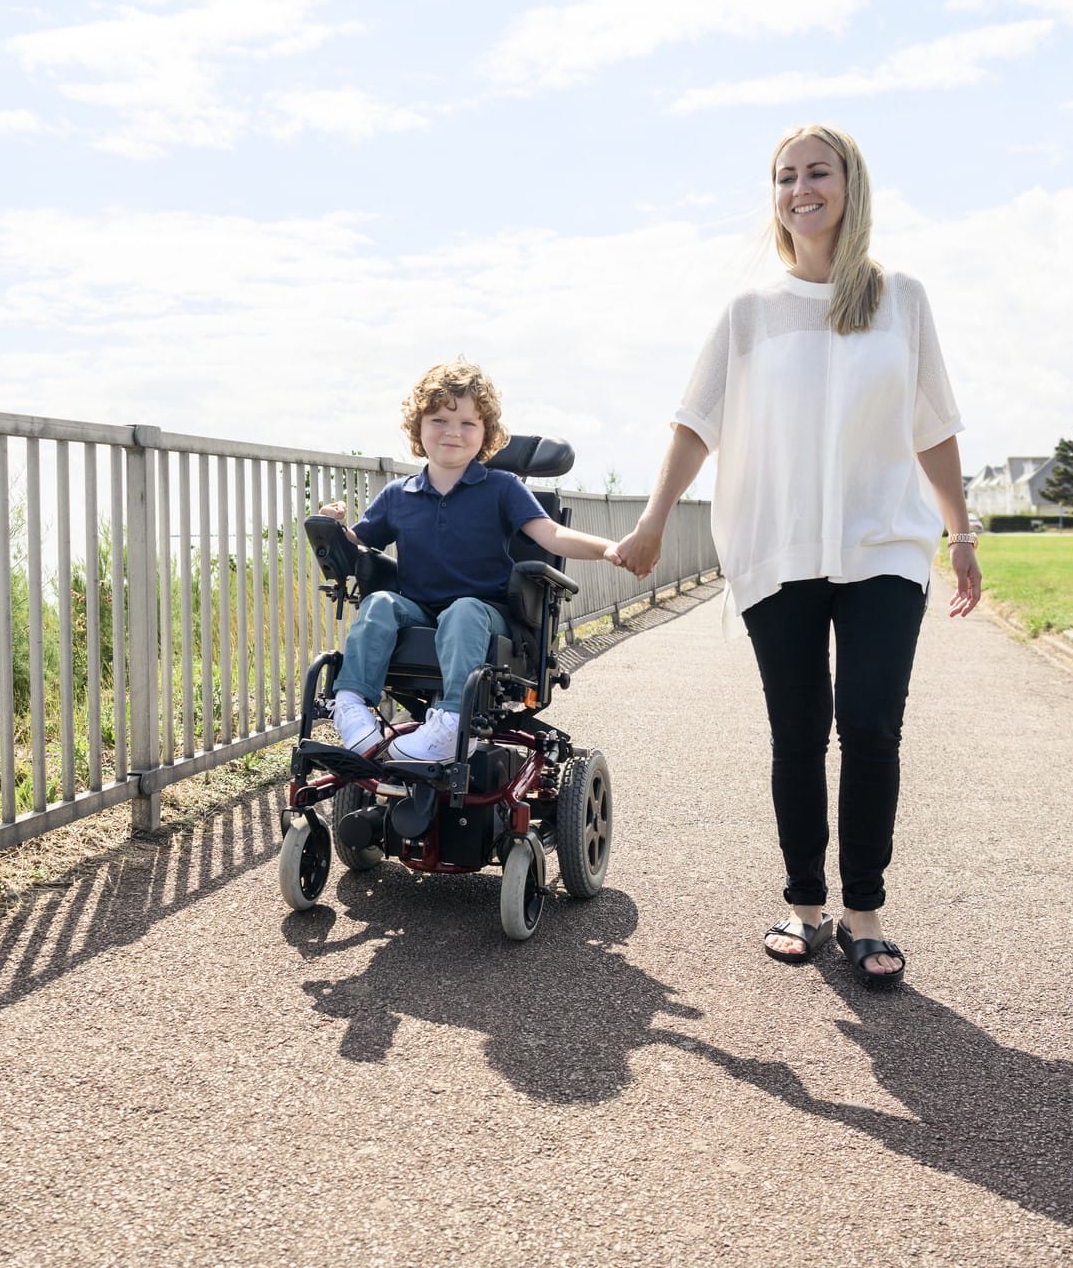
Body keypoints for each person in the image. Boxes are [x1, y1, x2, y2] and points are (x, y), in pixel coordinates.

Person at [608, 123, 981, 990]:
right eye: (786, 176)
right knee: (799, 731)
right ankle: (806, 906)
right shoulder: (749, 313)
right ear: (774, 195)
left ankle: (865, 913)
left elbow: (935, 427)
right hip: (777, 548)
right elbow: (696, 422)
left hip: (882, 543)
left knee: (873, 726)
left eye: (818, 172)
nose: (801, 188)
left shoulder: (902, 300)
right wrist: (655, 520)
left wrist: (960, 532)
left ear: (851, 186)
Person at [321, 359, 616, 764]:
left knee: (462, 612)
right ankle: (352, 704)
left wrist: (608, 549)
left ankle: (452, 720)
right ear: (418, 427)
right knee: (378, 604)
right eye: (439, 420)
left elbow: (551, 536)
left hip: (487, 613)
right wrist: (333, 526)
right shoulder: (398, 494)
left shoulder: (501, 488)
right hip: (420, 611)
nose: (453, 433)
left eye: (467, 424)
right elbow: (357, 544)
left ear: (486, 434)